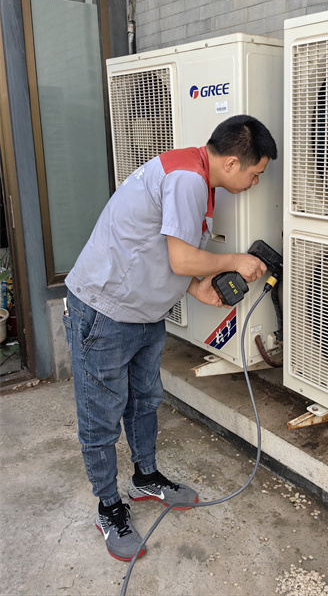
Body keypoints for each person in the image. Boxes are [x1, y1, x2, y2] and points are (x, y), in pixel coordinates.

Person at [63, 114, 278, 562]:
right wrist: (234, 260)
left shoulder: (195, 176)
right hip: (105, 312)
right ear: (233, 162)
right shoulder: (187, 179)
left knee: (144, 399)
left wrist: (197, 287)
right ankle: (108, 507)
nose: (256, 182)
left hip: (144, 312)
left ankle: (145, 478)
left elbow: (162, 251)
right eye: (256, 173)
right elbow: (182, 258)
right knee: (101, 416)